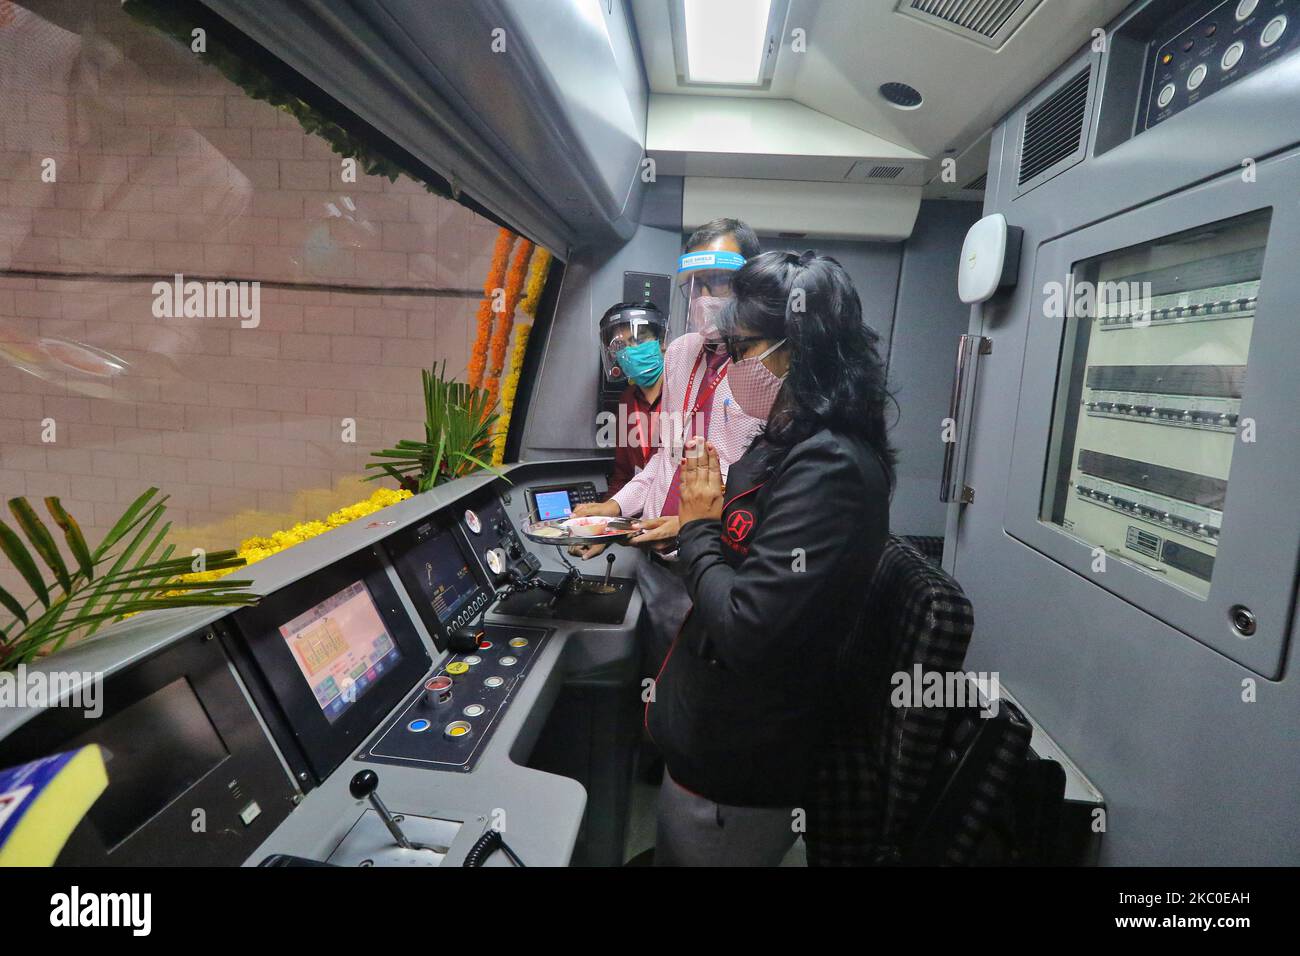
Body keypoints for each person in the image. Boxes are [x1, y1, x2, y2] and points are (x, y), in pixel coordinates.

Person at [647, 251, 895, 867]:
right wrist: (696, 524)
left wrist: (699, 529)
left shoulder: (830, 466)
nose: (731, 368)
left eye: (743, 349)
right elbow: (750, 551)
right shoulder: (786, 438)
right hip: (708, 748)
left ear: (799, 346)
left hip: (737, 770)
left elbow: (745, 627)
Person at [572, 218, 766, 666]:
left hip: (718, 569)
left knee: (707, 693)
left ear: (752, 284)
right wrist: (615, 509)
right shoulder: (680, 353)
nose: (703, 299)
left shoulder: (764, 366)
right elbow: (664, 458)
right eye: (694, 286)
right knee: (656, 687)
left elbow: (753, 487)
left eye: (717, 282)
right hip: (657, 567)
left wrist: (691, 528)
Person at [597, 302, 667, 498]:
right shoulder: (627, 400)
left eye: (638, 340)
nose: (630, 351)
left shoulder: (682, 390)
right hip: (636, 510)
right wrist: (601, 515)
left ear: (661, 341)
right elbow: (623, 475)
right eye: (621, 346)